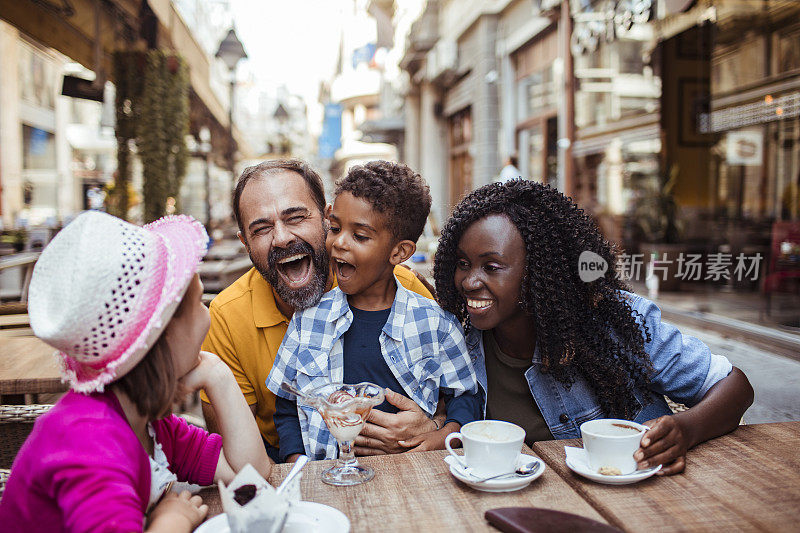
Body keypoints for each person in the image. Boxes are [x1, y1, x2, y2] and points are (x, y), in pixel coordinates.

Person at [432, 180, 754, 475]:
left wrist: (686, 430)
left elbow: (735, 386)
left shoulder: (616, 322)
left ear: (540, 272)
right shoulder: (459, 340)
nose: (469, 281)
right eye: (463, 263)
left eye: (491, 267)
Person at [0, 211, 270, 532]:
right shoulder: (91, 444)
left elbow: (251, 472)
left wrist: (218, 375)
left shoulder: (149, 425)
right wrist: (172, 520)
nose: (208, 312)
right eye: (199, 302)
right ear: (163, 335)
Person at [200, 159, 442, 462]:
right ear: (244, 243)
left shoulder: (399, 288)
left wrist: (433, 427)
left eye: (296, 217)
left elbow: (457, 389)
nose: (282, 238)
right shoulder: (226, 317)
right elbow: (233, 455)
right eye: (261, 229)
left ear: (327, 218)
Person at [266, 161, 481, 460]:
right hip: (329, 480)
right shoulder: (308, 321)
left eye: (360, 236)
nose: (339, 242)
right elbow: (287, 407)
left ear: (399, 252)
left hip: (415, 478)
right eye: (336, 228)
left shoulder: (436, 325)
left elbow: (466, 396)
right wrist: (297, 464)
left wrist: (441, 437)